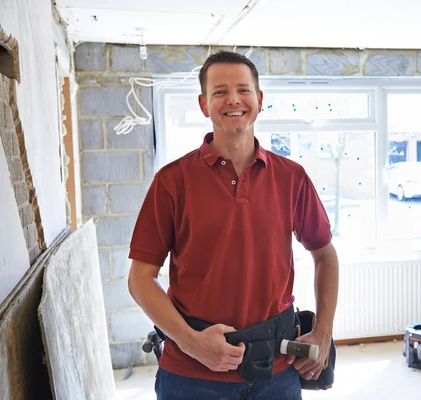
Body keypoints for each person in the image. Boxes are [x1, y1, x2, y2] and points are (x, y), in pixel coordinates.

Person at [128, 50, 339, 400]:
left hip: (276, 372)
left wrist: (323, 332)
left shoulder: (291, 177)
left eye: (243, 89)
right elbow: (140, 278)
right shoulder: (172, 181)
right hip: (191, 376)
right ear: (203, 103)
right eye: (220, 91)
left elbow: (325, 257)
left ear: (259, 99)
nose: (233, 100)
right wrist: (192, 343)